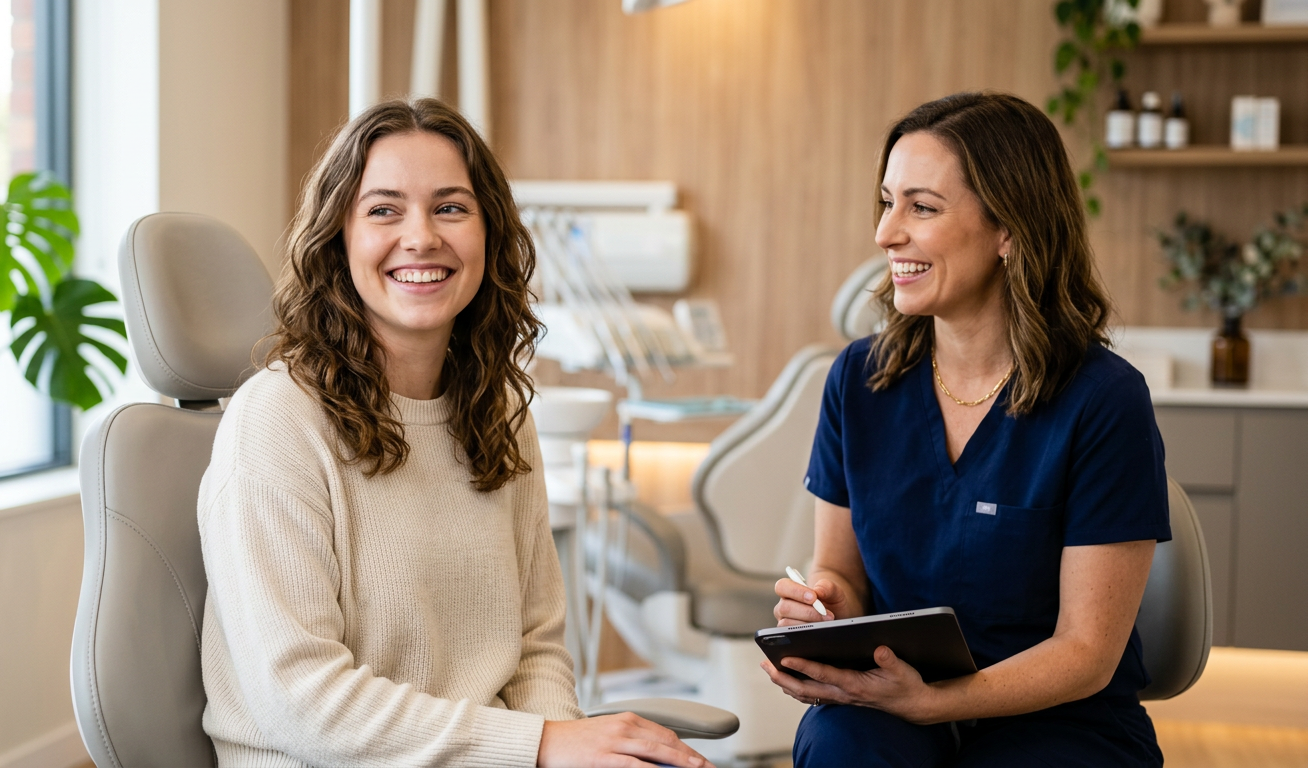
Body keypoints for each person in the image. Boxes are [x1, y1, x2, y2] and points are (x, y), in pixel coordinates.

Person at [197, 98, 713, 768]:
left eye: (450, 207)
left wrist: (562, 746)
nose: (422, 237)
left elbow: (534, 650)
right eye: (384, 209)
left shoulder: (498, 414)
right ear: (338, 240)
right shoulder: (278, 420)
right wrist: (540, 745)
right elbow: (302, 700)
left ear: (489, 235)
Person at [761, 92, 1170, 767]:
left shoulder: (1104, 399)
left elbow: (1087, 654)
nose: (886, 233)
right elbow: (840, 570)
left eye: (921, 207)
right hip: (897, 703)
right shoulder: (858, 380)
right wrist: (827, 604)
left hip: (1061, 719)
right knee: (841, 745)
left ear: (1010, 229)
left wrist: (939, 702)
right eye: (888, 202)